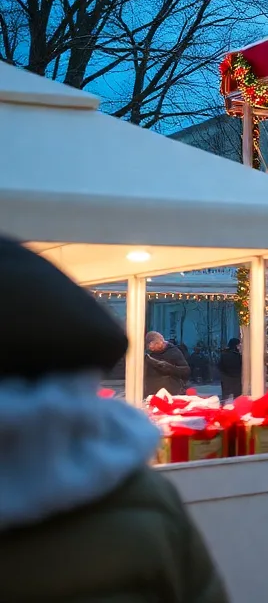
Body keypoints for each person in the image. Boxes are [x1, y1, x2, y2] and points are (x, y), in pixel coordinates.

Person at [0, 236, 228, 601]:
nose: (152, 347)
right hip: (151, 396)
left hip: (166, 390)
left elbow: (183, 373)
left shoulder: (175, 353)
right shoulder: (145, 497)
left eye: (153, 344)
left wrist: (161, 364)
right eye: (149, 346)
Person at [144, 331, 191, 397]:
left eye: (154, 345)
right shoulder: (150, 354)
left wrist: (169, 367)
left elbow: (186, 371)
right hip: (151, 393)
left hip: (169, 393)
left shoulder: (174, 352)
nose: (151, 348)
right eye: (149, 346)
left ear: (160, 342)